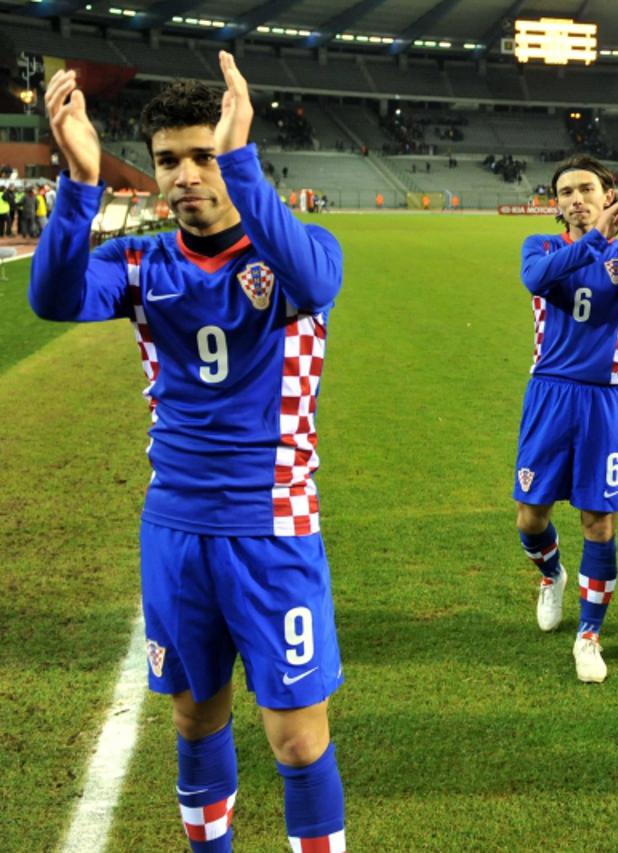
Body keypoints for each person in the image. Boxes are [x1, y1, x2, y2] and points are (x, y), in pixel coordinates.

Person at [30, 55, 348, 851]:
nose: (184, 175)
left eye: (203, 155)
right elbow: (53, 297)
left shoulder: (297, 251)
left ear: (235, 152)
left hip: (270, 526)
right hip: (174, 525)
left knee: (298, 739)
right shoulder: (139, 265)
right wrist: (80, 179)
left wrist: (239, 163)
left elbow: (310, 282)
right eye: (169, 159)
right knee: (193, 714)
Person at [513, 154, 618, 683]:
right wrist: (595, 241)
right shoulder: (543, 247)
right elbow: (536, 279)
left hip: (604, 401)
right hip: (550, 396)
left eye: (587, 189)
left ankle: (589, 636)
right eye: (565, 192)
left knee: (598, 522)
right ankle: (552, 574)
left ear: (609, 196)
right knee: (530, 517)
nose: (576, 199)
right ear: (555, 205)